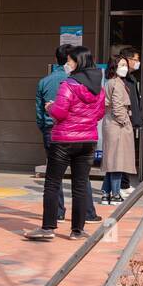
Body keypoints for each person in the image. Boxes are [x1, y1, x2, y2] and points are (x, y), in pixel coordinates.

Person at [26, 45, 106, 241]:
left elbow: (60, 112)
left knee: (52, 183)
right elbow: (100, 114)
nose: (67, 65)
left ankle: (48, 228)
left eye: (69, 61)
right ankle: (77, 230)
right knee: (80, 184)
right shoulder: (99, 87)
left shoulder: (68, 84)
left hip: (64, 140)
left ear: (77, 62)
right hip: (88, 140)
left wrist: (50, 107)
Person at [35, 44, 97, 224]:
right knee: (81, 180)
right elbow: (98, 111)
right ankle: (84, 218)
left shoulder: (57, 82)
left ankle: (56, 216)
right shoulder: (93, 84)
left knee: (53, 180)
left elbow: (55, 112)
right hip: (86, 135)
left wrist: (49, 110)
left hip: (59, 134)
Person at [100, 54, 137, 204]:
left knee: (112, 160)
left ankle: (105, 193)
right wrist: (124, 121)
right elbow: (117, 106)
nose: (125, 68)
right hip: (118, 125)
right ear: (114, 67)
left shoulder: (111, 82)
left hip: (111, 123)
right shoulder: (116, 83)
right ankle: (115, 194)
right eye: (121, 65)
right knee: (117, 161)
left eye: (125, 65)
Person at [118, 46, 143, 192]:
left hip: (130, 120)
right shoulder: (120, 78)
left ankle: (125, 182)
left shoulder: (131, 78)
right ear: (127, 60)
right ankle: (121, 185)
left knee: (127, 153)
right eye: (136, 59)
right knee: (121, 154)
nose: (138, 62)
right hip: (123, 121)